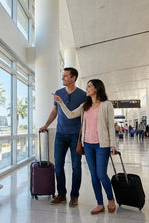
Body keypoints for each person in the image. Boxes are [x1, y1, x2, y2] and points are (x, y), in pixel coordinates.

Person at [53, 79, 117, 214]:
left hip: (102, 145)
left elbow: (110, 126)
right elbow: (70, 115)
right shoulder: (85, 105)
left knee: (101, 174)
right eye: (87, 86)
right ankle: (100, 204)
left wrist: (113, 145)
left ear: (97, 88)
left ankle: (110, 199)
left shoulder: (106, 105)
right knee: (93, 175)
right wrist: (61, 102)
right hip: (87, 144)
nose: (87, 89)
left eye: (89, 86)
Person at [39, 67, 86, 206]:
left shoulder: (83, 95)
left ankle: (74, 196)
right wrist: (46, 125)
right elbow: (55, 111)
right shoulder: (59, 93)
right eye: (62, 76)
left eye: (65, 76)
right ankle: (61, 194)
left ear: (73, 78)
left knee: (76, 166)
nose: (62, 78)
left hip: (75, 136)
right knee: (58, 165)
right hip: (60, 134)